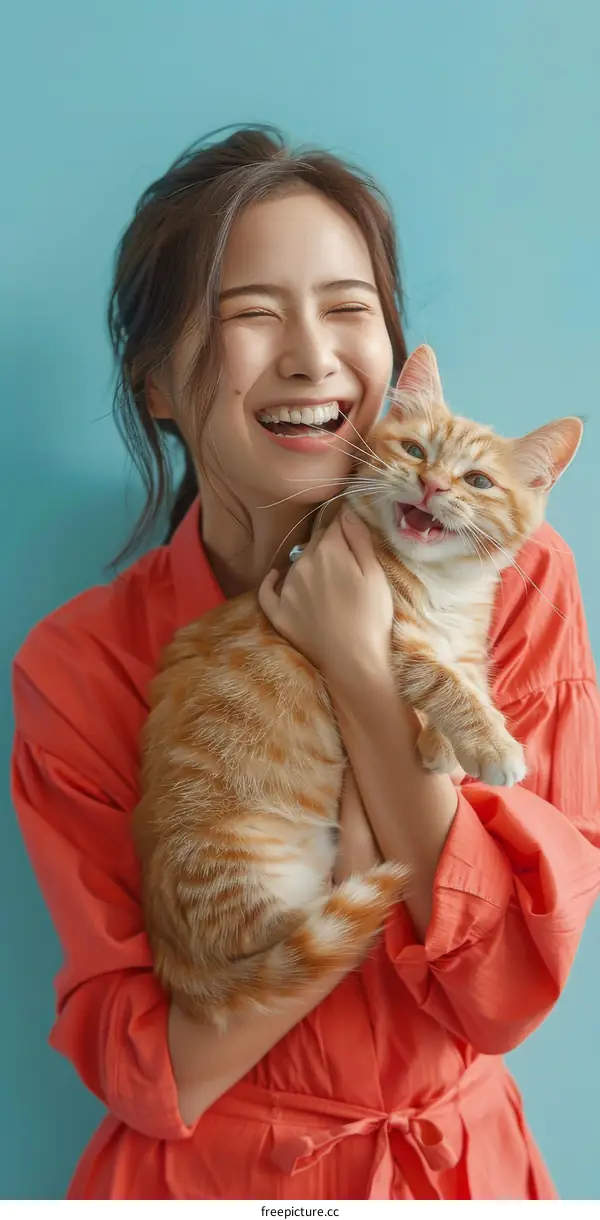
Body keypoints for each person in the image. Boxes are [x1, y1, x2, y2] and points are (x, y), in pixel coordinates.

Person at [11, 126, 600, 1201]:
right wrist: (355, 876)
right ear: (154, 383)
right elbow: (148, 1066)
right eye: (249, 313)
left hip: (449, 1175)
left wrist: (367, 679)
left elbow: (511, 985)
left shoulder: (517, 575)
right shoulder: (82, 660)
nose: (313, 356)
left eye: (349, 307)